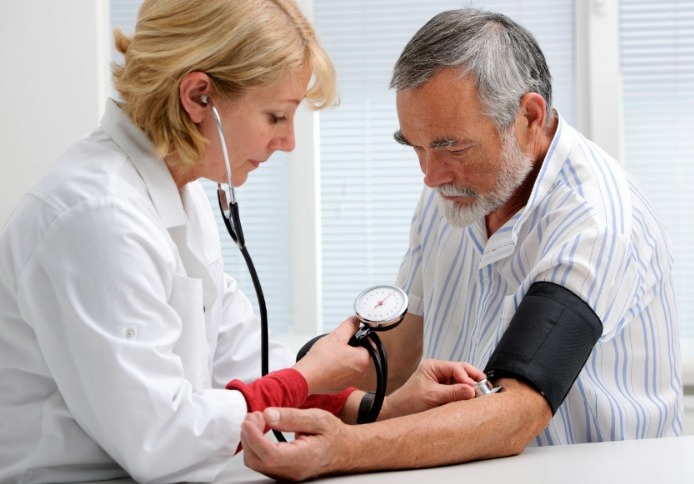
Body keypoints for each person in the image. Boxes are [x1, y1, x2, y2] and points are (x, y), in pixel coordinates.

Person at [0, 1, 487, 483]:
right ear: (198, 97)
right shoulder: (96, 216)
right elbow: (160, 439)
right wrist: (310, 375)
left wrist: (381, 408)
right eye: (276, 116)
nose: (289, 142)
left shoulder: (180, 197)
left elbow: (244, 362)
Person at [240, 7, 684, 481]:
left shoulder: (595, 221)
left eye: (452, 147)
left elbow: (517, 411)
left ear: (529, 117)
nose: (430, 176)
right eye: (416, 146)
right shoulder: (454, 193)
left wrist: (344, 448)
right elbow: (398, 352)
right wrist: (293, 378)